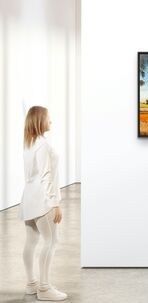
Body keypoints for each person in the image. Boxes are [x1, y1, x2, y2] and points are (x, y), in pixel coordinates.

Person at [20, 106, 68, 301]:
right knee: (51, 241)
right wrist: (54, 203)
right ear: (40, 120)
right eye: (48, 118)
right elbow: (46, 176)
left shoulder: (28, 143)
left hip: (28, 199)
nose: (51, 121)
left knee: (31, 242)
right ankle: (45, 288)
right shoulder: (42, 145)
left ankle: (31, 284)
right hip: (42, 201)